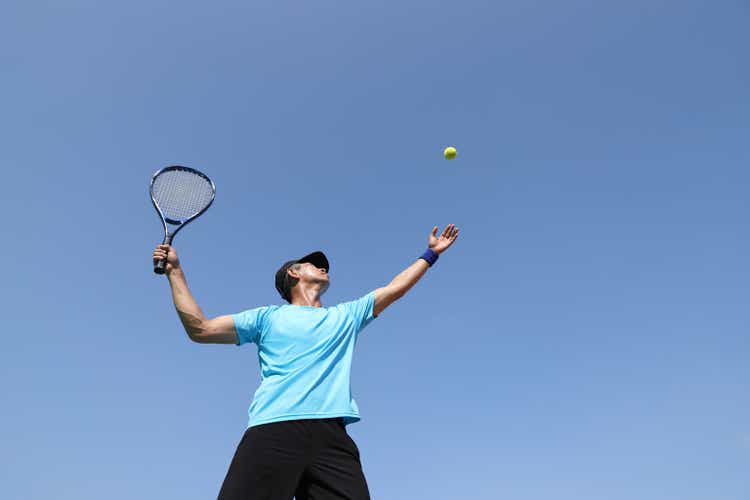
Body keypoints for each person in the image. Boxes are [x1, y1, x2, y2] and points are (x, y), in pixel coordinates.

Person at [152, 224, 460, 499]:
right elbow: (201, 329)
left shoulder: (344, 317)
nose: (324, 267)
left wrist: (430, 255)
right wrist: (175, 272)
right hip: (273, 430)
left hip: (331, 438)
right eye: (314, 264)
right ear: (293, 273)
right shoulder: (265, 317)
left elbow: (395, 289)